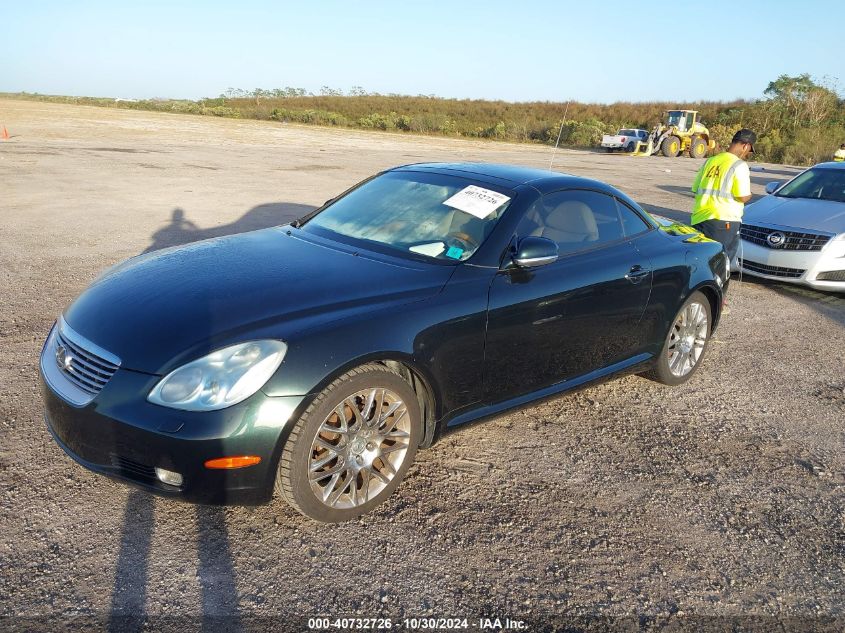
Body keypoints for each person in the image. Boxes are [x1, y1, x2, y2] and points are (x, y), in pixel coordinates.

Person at [690, 128, 756, 312]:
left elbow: (696, 188)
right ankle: (716, 303)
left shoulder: (710, 161)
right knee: (721, 264)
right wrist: (750, 195)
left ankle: (694, 300)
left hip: (700, 218)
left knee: (700, 261)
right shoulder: (739, 166)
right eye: (748, 150)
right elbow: (742, 196)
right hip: (724, 221)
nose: (747, 154)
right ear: (745, 145)